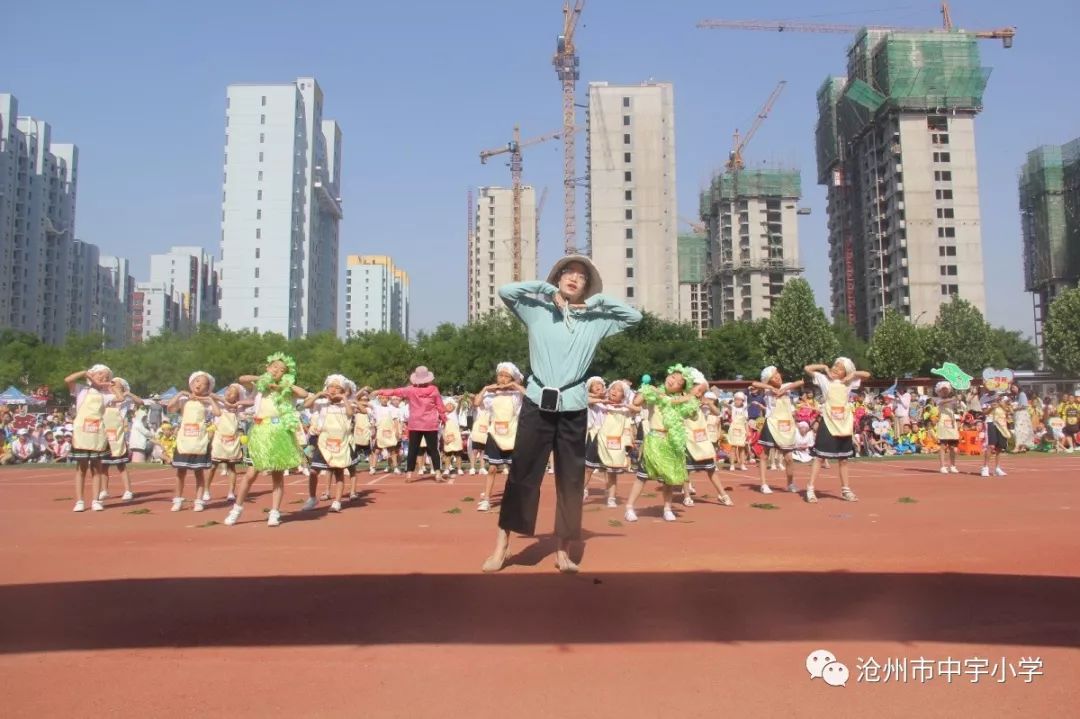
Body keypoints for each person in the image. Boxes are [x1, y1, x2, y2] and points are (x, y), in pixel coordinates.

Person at [482, 255, 642, 573]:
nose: (574, 278)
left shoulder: (596, 321)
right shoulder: (537, 310)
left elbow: (634, 317)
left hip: (573, 406)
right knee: (523, 474)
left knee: (570, 479)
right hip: (537, 402)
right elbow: (506, 292)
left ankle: (562, 549)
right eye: (568, 272)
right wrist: (544, 289)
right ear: (558, 277)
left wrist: (597, 301)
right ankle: (502, 545)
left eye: (581, 276)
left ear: (586, 286)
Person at [224, 354, 312, 527]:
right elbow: (242, 379)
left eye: (282, 370)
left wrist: (284, 386)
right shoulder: (260, 387)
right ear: (268, 368)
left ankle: (274, 512)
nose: (277, 371)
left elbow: (304, 394)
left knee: (277, 474)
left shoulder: (287, 390)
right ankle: (236, 509)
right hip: (260, 432)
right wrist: (263, 379)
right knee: (251, 474)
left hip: (279, 433)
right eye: (274, 367)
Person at [624, 366, 702, 522]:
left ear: (681, 388)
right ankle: (629, 507)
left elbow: (693, 415)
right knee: (642, 476)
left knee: (669, 478)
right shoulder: (655, 393)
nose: (673, 381)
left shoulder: (681, 401)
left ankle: (667, 508)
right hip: (654, 440)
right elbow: (636, 402)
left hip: (672, 441)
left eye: (678, 382)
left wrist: (692, 399)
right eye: (672, 377)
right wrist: (646, 389)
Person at [803, 358, 870, 503]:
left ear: (845, 372)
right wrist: (824, 367)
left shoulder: (849, 382)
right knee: (819, 457)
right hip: (828, 421)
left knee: (843, 459)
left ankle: (846, 490)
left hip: (843, 423)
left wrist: (853, 374)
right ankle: (810, 489)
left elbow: (867, 375)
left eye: (840, 368)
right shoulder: (824, 379)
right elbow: (807, 369)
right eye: (835, 366)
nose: (835, 369)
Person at [376, 367, 447, 483]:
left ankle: (409, 474)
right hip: (430, 424)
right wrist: (444, 418)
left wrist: (380, 391)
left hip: (415, 424)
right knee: (434, 449)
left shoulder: (410, 390)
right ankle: (438, 473)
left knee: (413, 449)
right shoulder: (434, 389)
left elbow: (395, 392)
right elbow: (440, 406)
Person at [167, 371, 222, 512]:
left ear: (207, 388)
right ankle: (178, 499)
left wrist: (209, 399)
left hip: (199, 442)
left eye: (204, 384)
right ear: (191, 383)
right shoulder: (184, 401)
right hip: (184, 441)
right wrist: (180, 394)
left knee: (199, 472)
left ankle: (199, 500)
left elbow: (218, 413)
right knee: (180, 472)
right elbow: (170, 407)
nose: (199, 385)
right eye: (197, 381)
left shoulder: (206, 403)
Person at [474, 362, 526, 512]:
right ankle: (486, 499)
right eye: (500, 375)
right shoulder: (491, 395)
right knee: (492, 468)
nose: (502, 378)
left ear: (512, 378)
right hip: (495, 434)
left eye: (506, 376)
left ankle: (515, 499)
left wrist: (515, 385)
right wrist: (485, 388)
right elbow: (476, 402)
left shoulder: (516, 395)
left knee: (514, 469)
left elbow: (530, 396)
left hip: (512, 435)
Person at [64, 364, 115, 512]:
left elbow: (119, 397)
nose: (103, 378)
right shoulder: (81, 389)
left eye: (106, 376)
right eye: (100, 374)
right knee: (81, 468)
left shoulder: (105, 395)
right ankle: (79, 501)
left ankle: (96, 500)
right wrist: (85, 373)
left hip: (97, 434)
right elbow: (68, 380)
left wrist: (111, 384)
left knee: (96, 468)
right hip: (82, 433)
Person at [303, 374, 356, 513]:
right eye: (331, 386)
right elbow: (305, 405)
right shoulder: (321, 403)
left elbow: (350, 413)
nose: (333, 389)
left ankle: (337, 501)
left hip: (340, 443)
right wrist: (318, 394)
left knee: (339, 472)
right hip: (323, 443)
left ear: (343, 390)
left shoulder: (346, 404)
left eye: (337, 388)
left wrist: (344, 398)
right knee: (313, 471)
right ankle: (312, 498)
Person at [751, 366, 805, 495]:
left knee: (789, 458)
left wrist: (784, 389)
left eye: (777, 374)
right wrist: (770, 388)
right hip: (771, 424)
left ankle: (790, 483)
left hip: (786, 425)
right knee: (764, 455)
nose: (777, 377)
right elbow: (754, 384)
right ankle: (764, 484)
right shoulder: (767, 390)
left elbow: (800, 382)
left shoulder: (786, 386)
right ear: (769, 380)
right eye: (773, 377)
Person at [100, 377, 143, 502]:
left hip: (117, 433)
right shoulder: (106, 396)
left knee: (121, 464)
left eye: (116, 384)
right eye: (112, 384)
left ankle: (128, 490)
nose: (112, 386)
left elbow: (140, 402)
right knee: (103, 465)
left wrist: (128, 393)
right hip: (104, 431)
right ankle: (104, 490)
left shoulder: (125, 398)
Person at [207, 383, 249, 502]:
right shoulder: (220, 403)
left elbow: (251, 402)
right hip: (219, 439)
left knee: (231, 467)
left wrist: (237, 403)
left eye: (233, 393)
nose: (229, 393)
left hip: (232, 439)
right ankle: (206, 490)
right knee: (212, 466)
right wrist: (223, 401)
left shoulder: (238, 407)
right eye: (228, 391)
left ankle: (231, 492)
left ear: (237, 396)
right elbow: (209, 394)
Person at [934, 381, 962, 473]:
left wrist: (958, 400)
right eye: (943, 390)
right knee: (942, 445)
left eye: (946, 389)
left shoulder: (952, 400)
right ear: (939, 391)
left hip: (952, 424)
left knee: (952, 446)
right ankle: (942, 466)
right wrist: (953, 399)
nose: (945, 391)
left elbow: (957, 408)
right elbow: (941, 402)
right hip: (943, 424)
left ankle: (953, 465)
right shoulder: (938, 400)